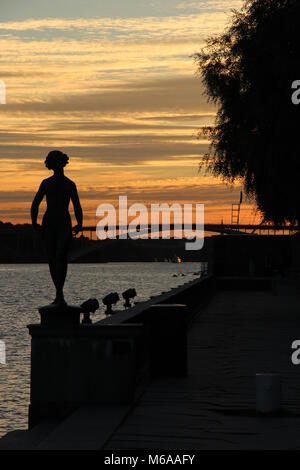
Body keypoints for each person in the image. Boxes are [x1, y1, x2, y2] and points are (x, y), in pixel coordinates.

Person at [31, 150, 83, 305]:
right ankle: (58, 292)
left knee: (61, 256)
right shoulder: (46, 183)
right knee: (52, 258)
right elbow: (35, 204)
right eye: (53, 162)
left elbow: (77, 206)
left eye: (57, 162)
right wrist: (34, 221)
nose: (55, 165)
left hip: (63, 223)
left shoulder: (69, 184)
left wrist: (80, 223)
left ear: (62, 163)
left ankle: (59, 293)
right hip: (50, 223)